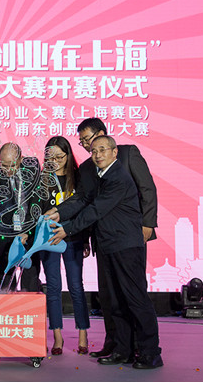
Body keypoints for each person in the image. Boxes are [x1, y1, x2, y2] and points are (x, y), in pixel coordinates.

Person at [47, 135, 163, 369]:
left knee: (135, 299)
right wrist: (59, 212)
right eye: (93, 151)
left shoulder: (118, 177)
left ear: (114, 152)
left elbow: (95, 210)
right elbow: (84, 200)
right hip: (109, 246)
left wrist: (67, 229)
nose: (97, 155)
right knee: (116, 301)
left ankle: (151, 352)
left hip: (126, 247)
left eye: (102, 150)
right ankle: (123, 350)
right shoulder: (101, 177)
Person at [74, 118, 158, 359]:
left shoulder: (127, 154)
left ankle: (144, 348)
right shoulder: (87, 167)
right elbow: (88, 203)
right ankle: (117, 345)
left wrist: (147, 224)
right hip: (104, 239)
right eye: (83, 143)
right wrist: (86, 237)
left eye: (89, 139)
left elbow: (147, 188)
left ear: (102, 134)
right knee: (109, 296)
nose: (88, 147)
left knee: (132, 293)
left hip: (129, 235)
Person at [39, 137, 91, 355]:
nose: (56, 161)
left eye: (60, 156)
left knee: (76, 286)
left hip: (73, 237)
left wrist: (85, 239)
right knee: (53, 287)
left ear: (68, 155)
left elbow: (84, 209)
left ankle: (83, 333)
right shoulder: (42, 180)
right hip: (49, 239)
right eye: (51, 157)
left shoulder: (78, 178)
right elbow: (37, 210)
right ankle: (57, 336)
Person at [0, 143, 42, 292]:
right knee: (6, 287)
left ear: (21, 159)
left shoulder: (33, 169)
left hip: (29, 236)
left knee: (30, 283)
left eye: (13, 165)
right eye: (4, 165)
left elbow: (37, 203)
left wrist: (27, 231)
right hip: (4, 238)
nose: (8, 170)